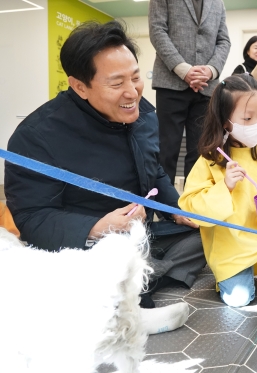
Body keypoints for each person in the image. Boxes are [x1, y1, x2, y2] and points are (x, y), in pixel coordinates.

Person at [5, 21, 207, 332]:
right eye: (116, 84)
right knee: (98, 261)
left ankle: (135, 281)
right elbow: (32, 218)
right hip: (86, 249)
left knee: (208, 235)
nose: (133, 93)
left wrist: (176, 209)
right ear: (79, 86)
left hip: (141, 235)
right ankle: (126, 295)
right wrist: (98, 227)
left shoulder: (143, 114)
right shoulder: (36, 136)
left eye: (136, 77)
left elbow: (153, 171)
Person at [178, 74, 257, 307]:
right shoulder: (210, 160)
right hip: (231, 244)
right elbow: (191, 204)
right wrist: (225, 186)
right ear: (225, 121)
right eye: (247, 118)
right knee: (238, 299)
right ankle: (231, 277)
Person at [149, 0, 231, 185]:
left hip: (206, 87)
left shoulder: (217, 3)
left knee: (200, 152)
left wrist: (211, 70)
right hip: (170, 82)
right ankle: (163, 209)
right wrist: (183, 69)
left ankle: (192, 206)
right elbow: (157, 30)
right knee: (166, 150)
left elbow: (224, 40)